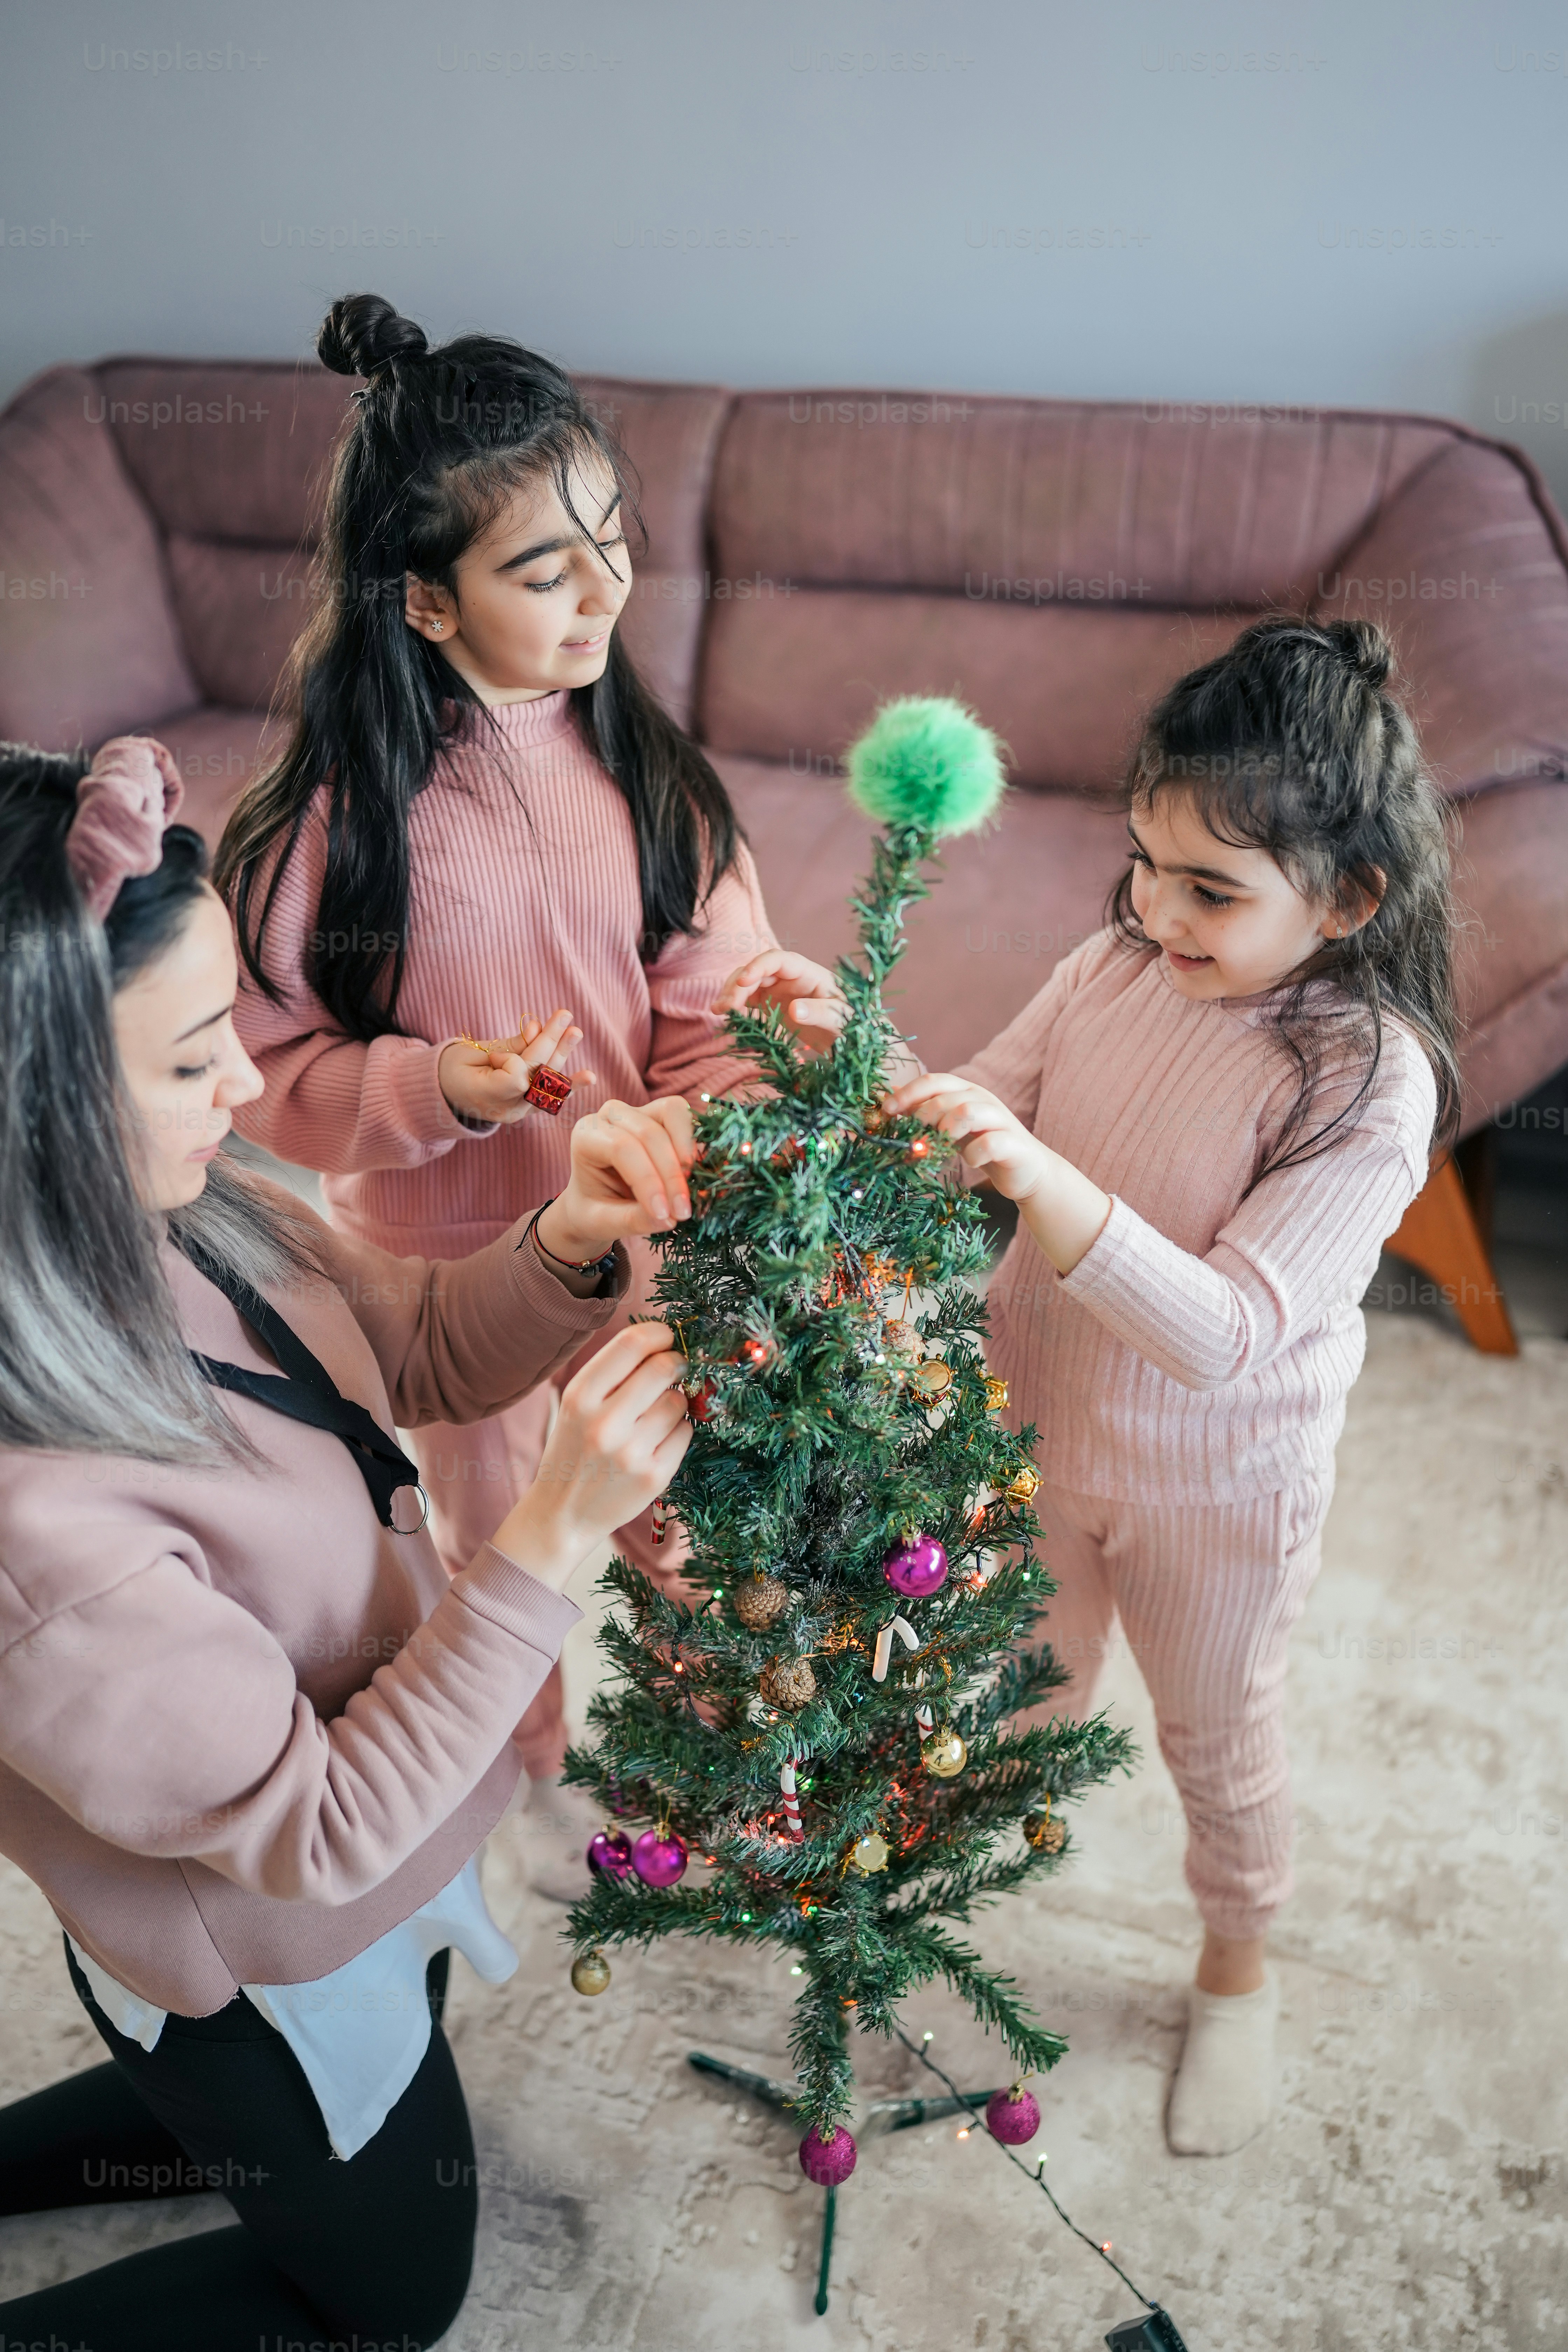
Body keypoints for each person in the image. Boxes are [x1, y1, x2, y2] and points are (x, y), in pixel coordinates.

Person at [0, 735, 695, 2346]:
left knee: (250, 2122)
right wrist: (546, 1536)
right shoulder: (44, 1533)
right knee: (388, 2297)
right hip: (266, 1949)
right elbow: (314, 1836)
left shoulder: (189, 1208)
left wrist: (570, 1240)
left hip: (366, 1845)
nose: (250, 1086)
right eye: (188, 1060)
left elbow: (410, 1350)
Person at [735, 618, 1458, 2157]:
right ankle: (944, 1924)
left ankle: (1237, 1970)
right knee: (1004, 1711)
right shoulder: (1111, 963)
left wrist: (1044, 1185)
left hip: (1219, 1486)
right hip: (1027, 1443)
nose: (1155, 908)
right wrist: (859, 1060)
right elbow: (977, 1109)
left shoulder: (1369, 1079)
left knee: (1218, 1735)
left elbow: (1222, 1331)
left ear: (1347, 898)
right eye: (1144, 860)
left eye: (1211, 888)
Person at [214, 294, 786, 1891]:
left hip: (643, 1249)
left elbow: (714, 1003)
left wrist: (726, 1094)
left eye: (612, 539)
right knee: (490, 1550)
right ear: (426, 603)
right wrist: (437, 1088)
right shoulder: (334, 822)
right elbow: (268, 1070)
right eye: (545, 568)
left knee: (687, 1534)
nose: (606, 589)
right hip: (440, 1281)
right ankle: (516, 1767)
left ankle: (687, 1779)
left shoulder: (653, 783)